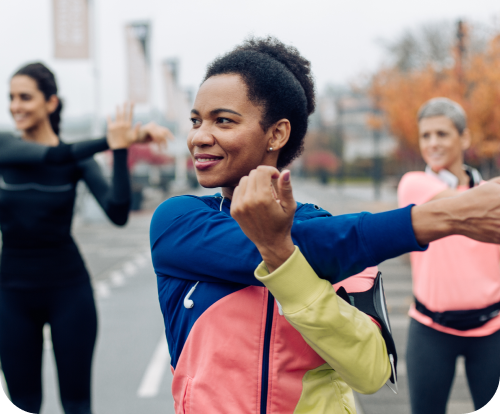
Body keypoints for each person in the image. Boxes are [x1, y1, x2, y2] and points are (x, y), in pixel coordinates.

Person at [150, 38, 500, 413]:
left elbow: (371, 373)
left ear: (277, 134)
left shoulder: (334, 234)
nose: (200, 136)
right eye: (195, 120)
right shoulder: (177, 221)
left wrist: (283, 257)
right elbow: (291, 244)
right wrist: (441, 217)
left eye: (223, 120)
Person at [0, 62, 171, 414]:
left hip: (68, 290)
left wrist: (121, 149)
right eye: (11, 97)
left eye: (25, 97)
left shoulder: (78, 162)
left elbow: (118, 213)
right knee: (23, 402)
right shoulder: (5, 147)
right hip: (11, 295)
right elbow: (52, 155)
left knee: (77, 405)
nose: (15, 105)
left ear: (51, 103)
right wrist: (110, 140)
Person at [398, 97, 500, 414]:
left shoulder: (487, 193)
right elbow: (466, 203)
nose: (432, 143)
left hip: (492, 331)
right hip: (431, 330)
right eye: (425, 135)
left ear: (464, 138)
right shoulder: (414, 185)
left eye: (441, 134)